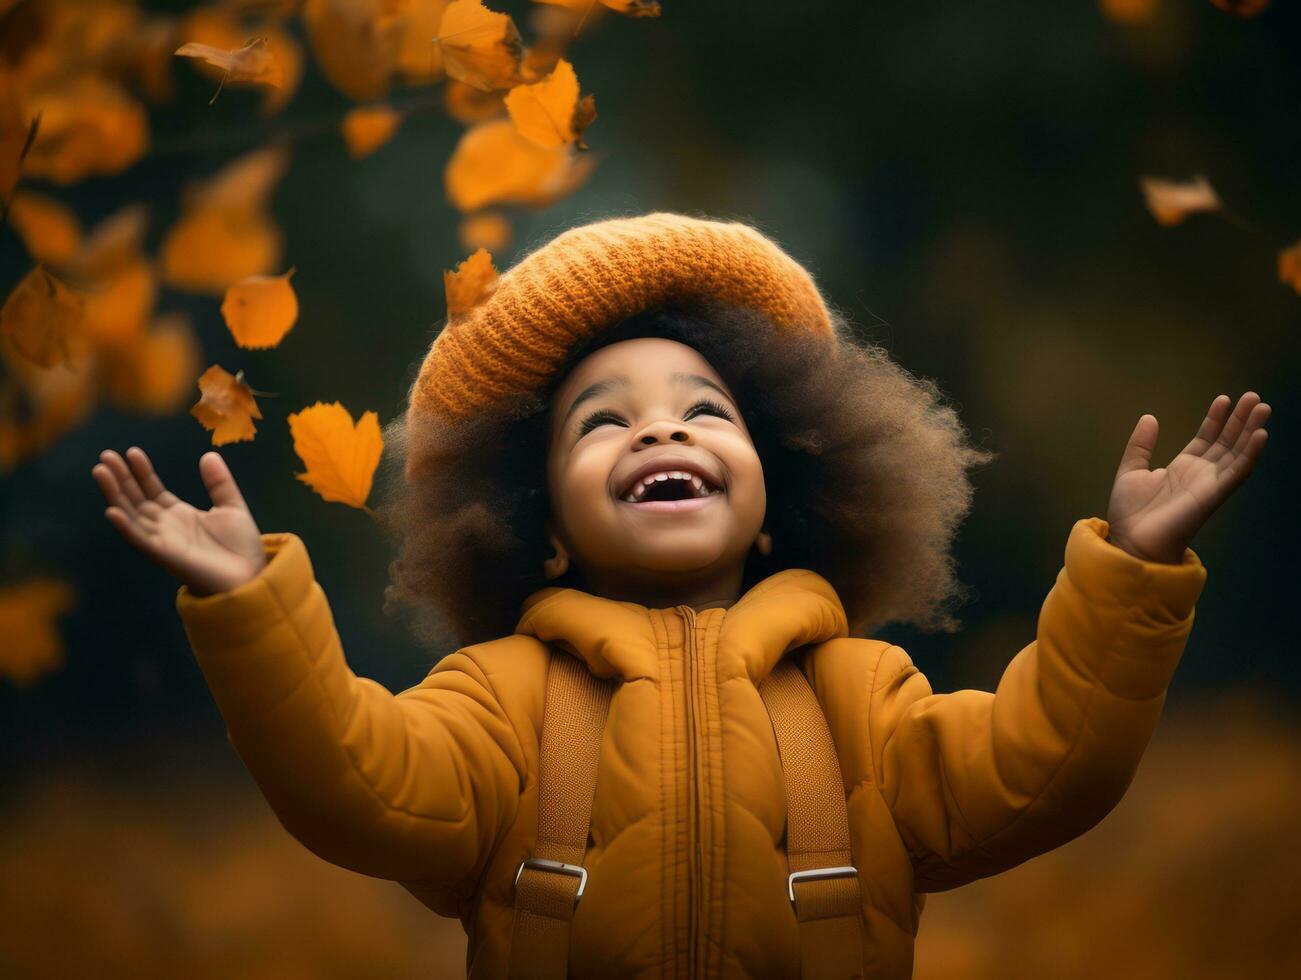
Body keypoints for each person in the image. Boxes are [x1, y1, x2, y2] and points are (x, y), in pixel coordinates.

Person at [92, 212, 1270, 978]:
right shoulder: (498, 699)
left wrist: (1131, 569)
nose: (659, 423)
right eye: (601, 421)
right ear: (537, 526)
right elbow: (352, 780)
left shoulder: (861, 695)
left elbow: (1046, 763)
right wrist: (251, 599)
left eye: (706, 409)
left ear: (783, 493)